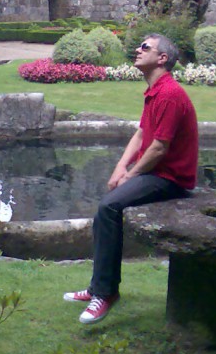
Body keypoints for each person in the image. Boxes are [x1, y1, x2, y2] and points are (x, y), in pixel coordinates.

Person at [63, 33, 199, 324]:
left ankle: (106, 293)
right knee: (106, 209)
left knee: (109, 208)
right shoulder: (156, 90)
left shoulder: (170, 94)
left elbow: (160, 147)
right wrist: (119, 168)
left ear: (162, 59)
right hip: (157, 172)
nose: (137, 50)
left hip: (171, 178)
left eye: (145, 47)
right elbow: (141, 134)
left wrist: (131, 175)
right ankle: (98, 287)